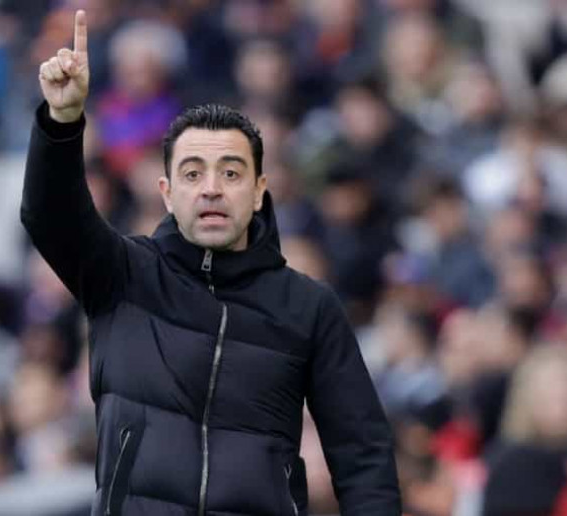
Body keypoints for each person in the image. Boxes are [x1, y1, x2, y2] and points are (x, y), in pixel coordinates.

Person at [21, 10, 400, 515]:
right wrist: (62, 122)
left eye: (231, 173)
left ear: (260, 190)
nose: (212, 189)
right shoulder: (123, 273)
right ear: (166, 192)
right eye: (193, 173)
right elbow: (49, 215)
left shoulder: (309, 307)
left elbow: (363, 454)